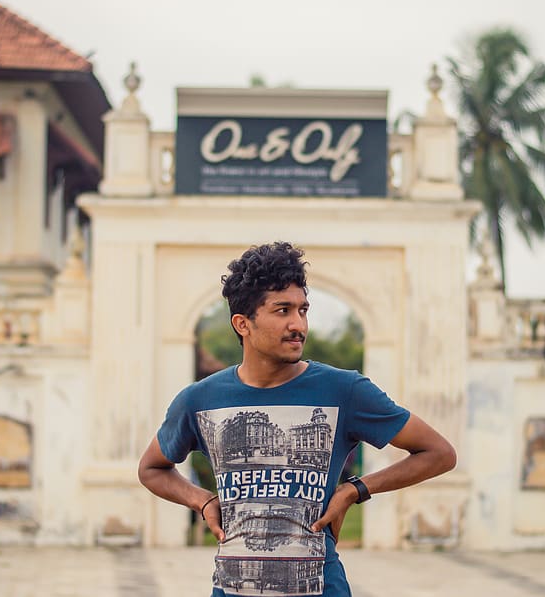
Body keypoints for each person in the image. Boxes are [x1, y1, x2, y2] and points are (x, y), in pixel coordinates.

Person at [138, 241, 456, 597]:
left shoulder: (344, 390)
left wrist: (355, 489)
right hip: (231, 589)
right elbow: (151, 468)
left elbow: (438, 453)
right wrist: (203, 500)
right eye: (282, 310)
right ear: (243, 323)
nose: (298, 324)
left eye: (303, 310)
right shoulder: (200, 400)